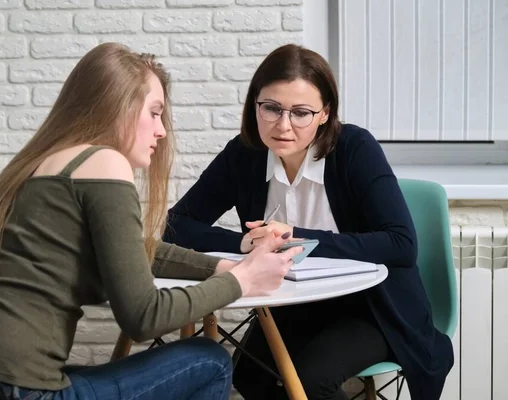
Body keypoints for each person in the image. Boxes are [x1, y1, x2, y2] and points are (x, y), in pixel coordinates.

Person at [0, 42, 304, 400]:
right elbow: (143, 317)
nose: (161, 131)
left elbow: (139, 252)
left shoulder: (45, 163)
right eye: (155, 112)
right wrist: (242, 280)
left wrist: (227, 266)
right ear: (117, 106)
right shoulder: (103, 163)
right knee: (208, 361)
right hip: (21, 391)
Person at [163, 44, 454, 400]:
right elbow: (176, 225)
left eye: (301, 112)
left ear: (324, 114)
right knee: (248, 375)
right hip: (293, 305)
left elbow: (401, 244)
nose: (283, 125)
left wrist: (297, 238)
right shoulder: (244, 155)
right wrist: (244, 243)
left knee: (311, 380)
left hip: (372, 308)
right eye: (271, 108)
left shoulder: (355, 149)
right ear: (255, 104)